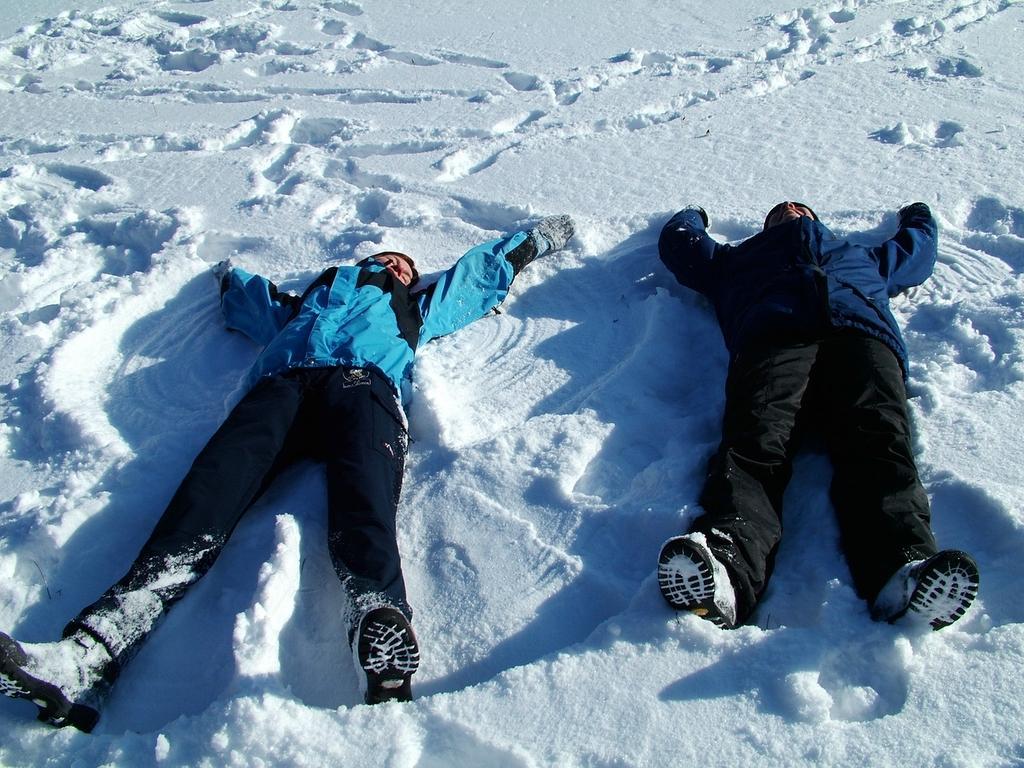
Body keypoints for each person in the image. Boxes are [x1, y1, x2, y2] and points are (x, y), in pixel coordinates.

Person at [0, 214, 576, 732]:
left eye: (406, 268)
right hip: (278, 393)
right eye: (389, 259)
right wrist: (224, 272)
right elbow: (249, 300)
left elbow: (477, 276)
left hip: (363, 388)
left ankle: (379, 620)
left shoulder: (414, 309)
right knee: (201, 506)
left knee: (365, 503)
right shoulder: (303, 305)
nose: (397, 267)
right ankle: (90, 655)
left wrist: (535, 241)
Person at [654, 201, 979, 631]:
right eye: (780, 209)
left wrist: (917, 215)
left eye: (799, 207)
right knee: (754, 442)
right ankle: (726, 565)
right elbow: (681, 246)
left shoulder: (860, 255)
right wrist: (692, 215)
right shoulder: (737, 259)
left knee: (879, 439)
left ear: (814, 220)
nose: (790, 208)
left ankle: (901, 569)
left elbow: (916, 253)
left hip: (863, 338)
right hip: (774, 339)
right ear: (767, 226)